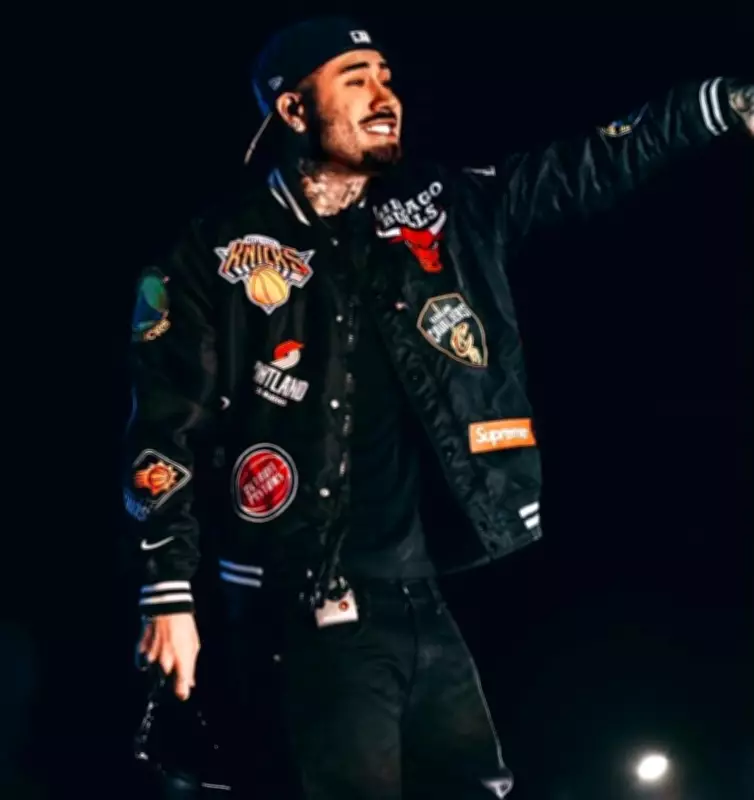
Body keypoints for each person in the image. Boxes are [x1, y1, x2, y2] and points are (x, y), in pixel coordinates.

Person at [124, 16, 754, 799]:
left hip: (425, 591)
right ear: (293, 109)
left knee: (480, 787)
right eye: (355, 78)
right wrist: (168, 592)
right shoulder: (211, 252)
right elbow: (164, 431)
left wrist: (713, 105)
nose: (384, 95)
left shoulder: (440, 206)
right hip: (306, 601)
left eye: (387, 77)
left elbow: (586, 164)